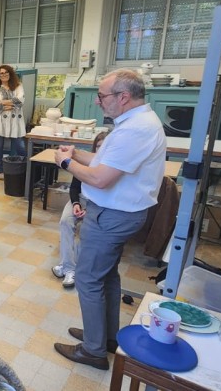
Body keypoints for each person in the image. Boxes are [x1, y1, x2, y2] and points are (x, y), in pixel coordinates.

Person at [52, 69, 166, 370]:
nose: (98, 101)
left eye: (102, 96)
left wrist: (65, 162)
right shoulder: (135, 123)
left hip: (112, 216)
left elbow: (100, 179)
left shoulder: (135, 130)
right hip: (119, 214)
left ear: (123, 97)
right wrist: (77, 153)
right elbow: (106, 162)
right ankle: (105, 337)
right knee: (107, 276)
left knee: (88, 279)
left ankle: (93, 350)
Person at [51, 131, 108, 289]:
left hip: (98, 203)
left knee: (86, 228)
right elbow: (74, 187)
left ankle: (72, 268)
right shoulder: (85, 163)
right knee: (65, 221)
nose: (100, 150)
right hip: (81, 199)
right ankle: (69, 267)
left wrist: (88, 210)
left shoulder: (110, 168)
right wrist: (76, 203)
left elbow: (107, 195)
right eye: (98, 146)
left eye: (104, 147)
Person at [0, 65, 26, 179]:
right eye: (1, 73)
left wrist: (3, 103)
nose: (4, 75)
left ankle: (23, 170)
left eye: (6, 72)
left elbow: (20, 101)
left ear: (10, 73)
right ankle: (0, 171)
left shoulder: (18, 86)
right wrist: (10, 104)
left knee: (20, 147)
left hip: (15, 121)